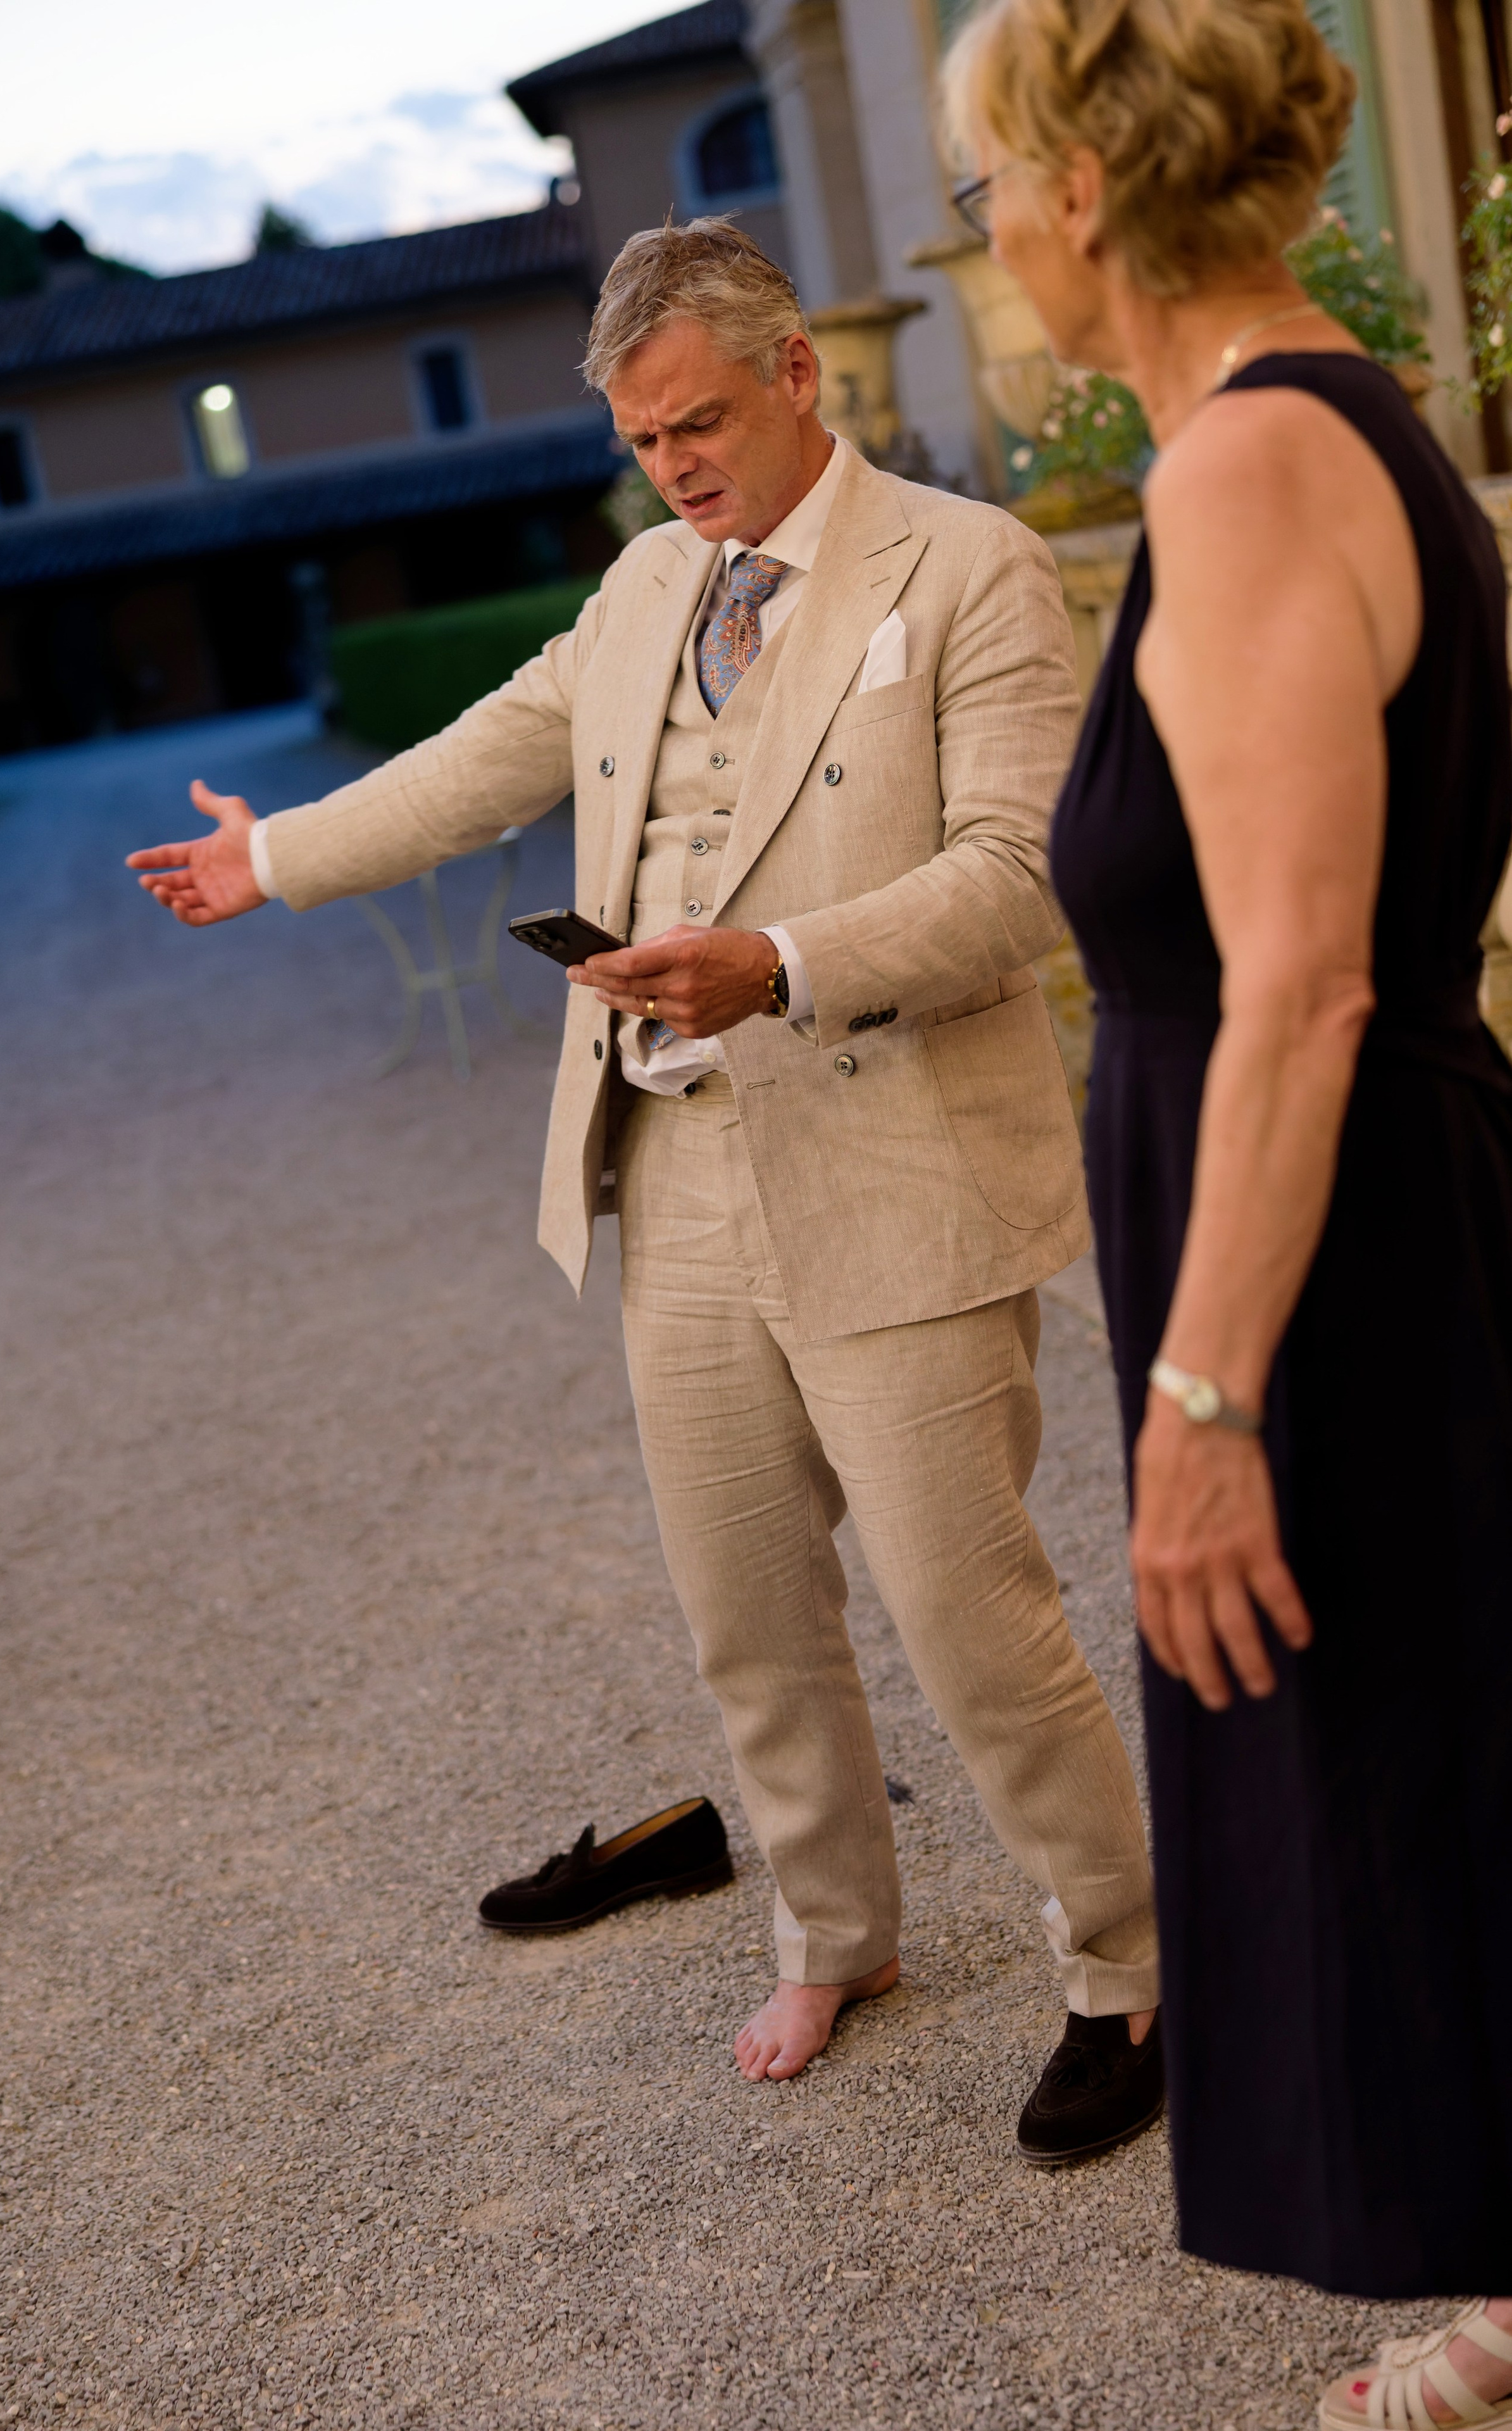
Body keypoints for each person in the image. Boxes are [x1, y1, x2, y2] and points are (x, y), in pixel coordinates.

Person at [128, 218, 1163, 2156]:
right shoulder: (636, 593)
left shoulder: (975, 567)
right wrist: (270, 860)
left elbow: (1029, 875)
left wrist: (778, 962)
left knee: (967, 1609)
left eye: (698, 423)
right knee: (745, 1609)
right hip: (673, 1168)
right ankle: (835, 1923)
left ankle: (1124, 1962)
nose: (677, 467)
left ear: (799, 374)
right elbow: (477, 764)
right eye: (642, 443)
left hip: (895, 1164)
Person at [946, 0, 1512, 2413]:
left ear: (1085, 190)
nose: (978, 233)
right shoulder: (1301, 424)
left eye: (987, 182)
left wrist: (1200, 1401)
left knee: (1413, 1790)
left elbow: (1298, 988)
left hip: (1337, 1266)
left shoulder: (1248, 473)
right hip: (1351, 1236)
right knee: (1446, 1775)